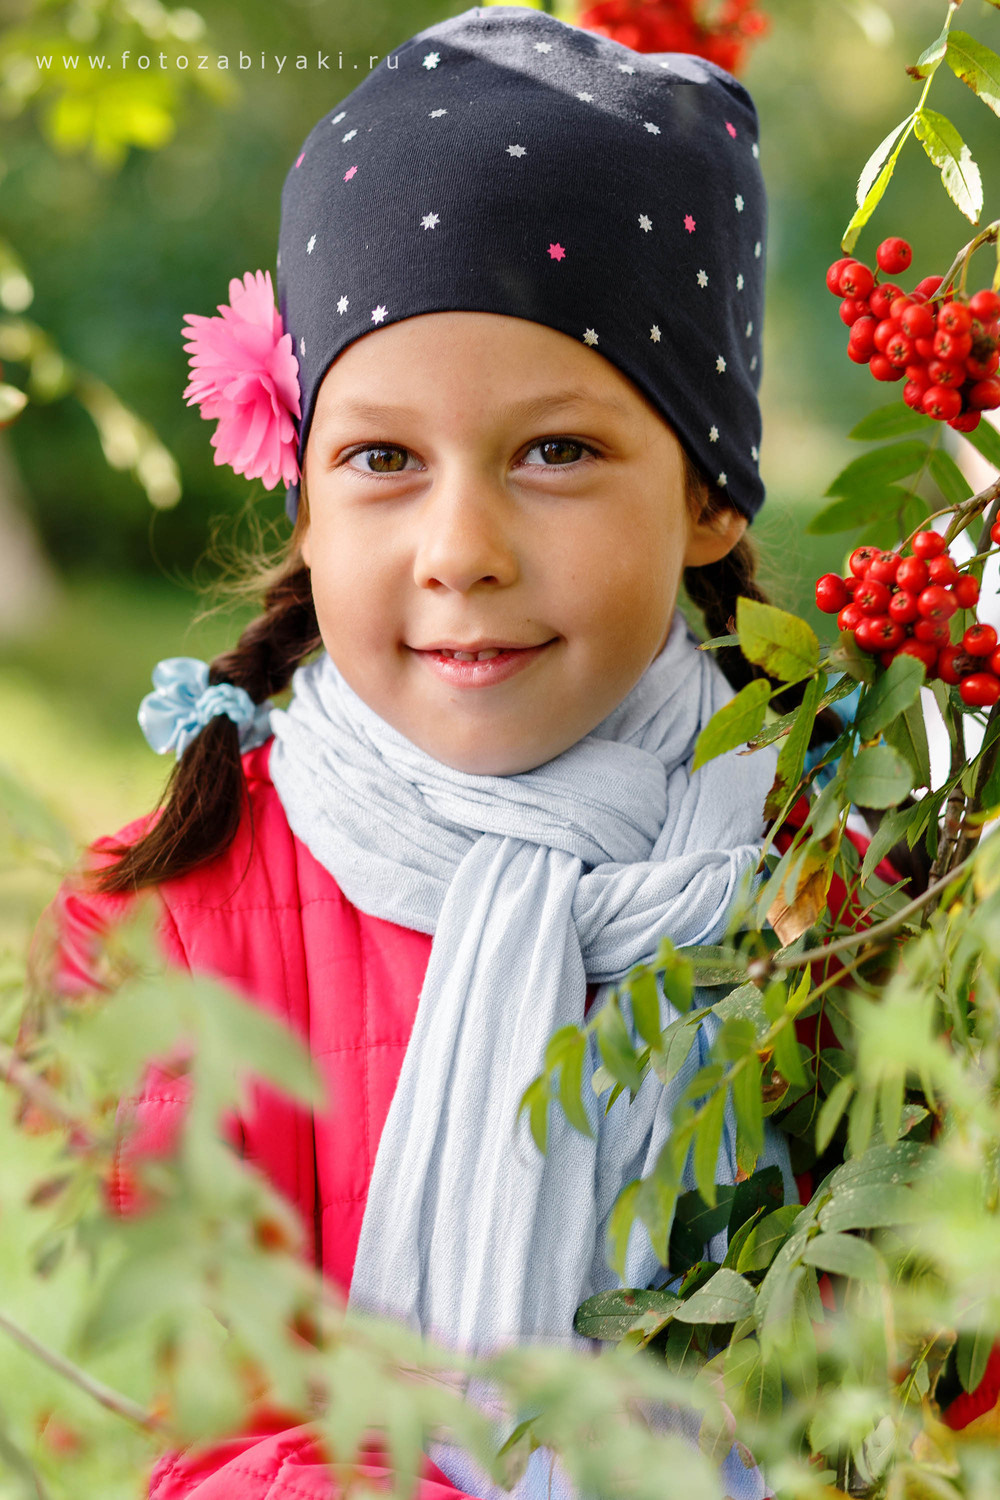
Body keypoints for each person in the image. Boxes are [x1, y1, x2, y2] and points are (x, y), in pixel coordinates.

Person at [48, 5, 822, 1496]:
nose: (460, 550)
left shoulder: (821, 889)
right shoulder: (175, 943)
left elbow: (923, 1369)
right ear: (306, 497)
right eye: (384, 460)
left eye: (557, 452)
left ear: (711, 497)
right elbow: (155, 1421)